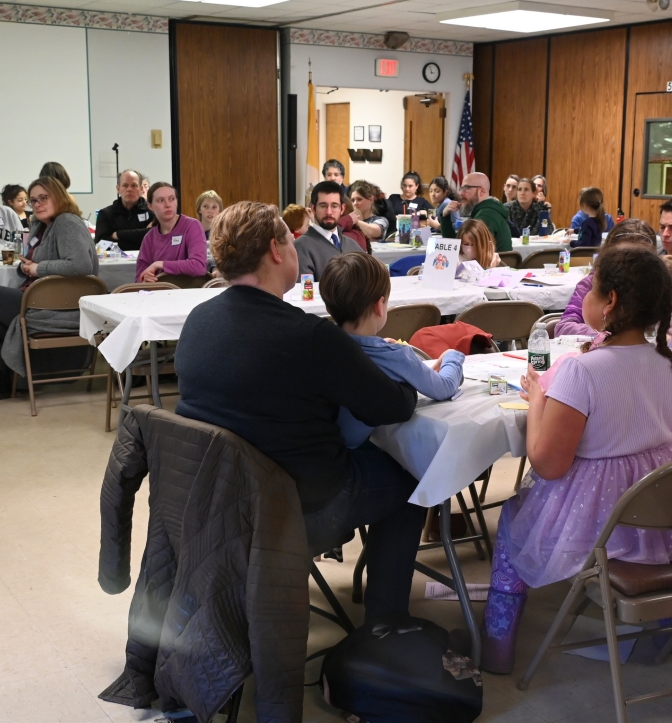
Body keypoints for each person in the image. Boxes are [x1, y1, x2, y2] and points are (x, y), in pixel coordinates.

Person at [175, 201, 423, 621]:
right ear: (276, 250)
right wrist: (406, 368)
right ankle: (385, 626)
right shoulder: (309, 336)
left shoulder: (198, 320)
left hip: (215, 499)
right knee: (413, 481)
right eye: (291, 240)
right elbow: (390, 405)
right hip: (300, 504)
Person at [480, 247, 672, 673]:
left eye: (592, 290)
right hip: (660, 522)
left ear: (609, 302)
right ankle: (664, 637)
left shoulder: (583, 372)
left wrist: (540, 399)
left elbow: (548, 464)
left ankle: (496, 648)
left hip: (595, 521)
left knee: (513, 519)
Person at [0, 177, 98, 404]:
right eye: (34, 200)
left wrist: (37, 267)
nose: (38, 204)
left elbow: (80, 265)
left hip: (60, 309)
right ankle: (1, 382)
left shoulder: (67, 222)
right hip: (43, 301)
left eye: (44, 198)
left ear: (59, 197)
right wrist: (28, 266)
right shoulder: (41, 225)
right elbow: (42, 267)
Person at [319, 252, 465, 448]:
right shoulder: (394, 356)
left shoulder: (322, 343)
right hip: (354, 452)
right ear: (380, 306)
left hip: (322, 445)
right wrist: (452, 357)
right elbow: (445, 387)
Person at [551, 218, 672, 338]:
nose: (627, 266)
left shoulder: (655, 286)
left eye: (639, 260)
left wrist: (667, 335)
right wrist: (609, 337)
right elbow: (564, 327)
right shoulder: (592, 283)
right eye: (620, 258)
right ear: (606, 256)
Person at [136, 183, 208, 283]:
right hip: (159, 294)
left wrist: (160, 264)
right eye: (161, 200)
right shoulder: (149, 237)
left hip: (189, 293)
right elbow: (139, 278)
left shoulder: (192, 226)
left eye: (172, 199)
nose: (168, 205)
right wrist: (145, 279)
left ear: (176, 202)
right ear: (150, 206)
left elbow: (198, 266)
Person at [294, 181, 363, 278]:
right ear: (313, 208)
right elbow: (306, 292)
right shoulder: (301, 247)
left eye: (334, 206)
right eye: (323, 206)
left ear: (342, 209)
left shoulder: (353, 245)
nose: (329, 212)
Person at [440, 171, 511, 252]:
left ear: (482, 191)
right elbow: (458, 245)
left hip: (492, 264)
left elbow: (463, 250)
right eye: (462, 188)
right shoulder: (482, 211)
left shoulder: (487, 215)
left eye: (467, 188)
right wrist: (446, 217)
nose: (461, 193)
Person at [95, 169, 151, 251]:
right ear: (118, 189)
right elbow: (101, 244)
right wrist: (138, 242)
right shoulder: (106, 214)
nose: (129, 189)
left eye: (134, 185)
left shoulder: (152, 211)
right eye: (125, 185)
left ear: (142, 189)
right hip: (115, 262)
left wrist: (119, 234)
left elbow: (155, 237)